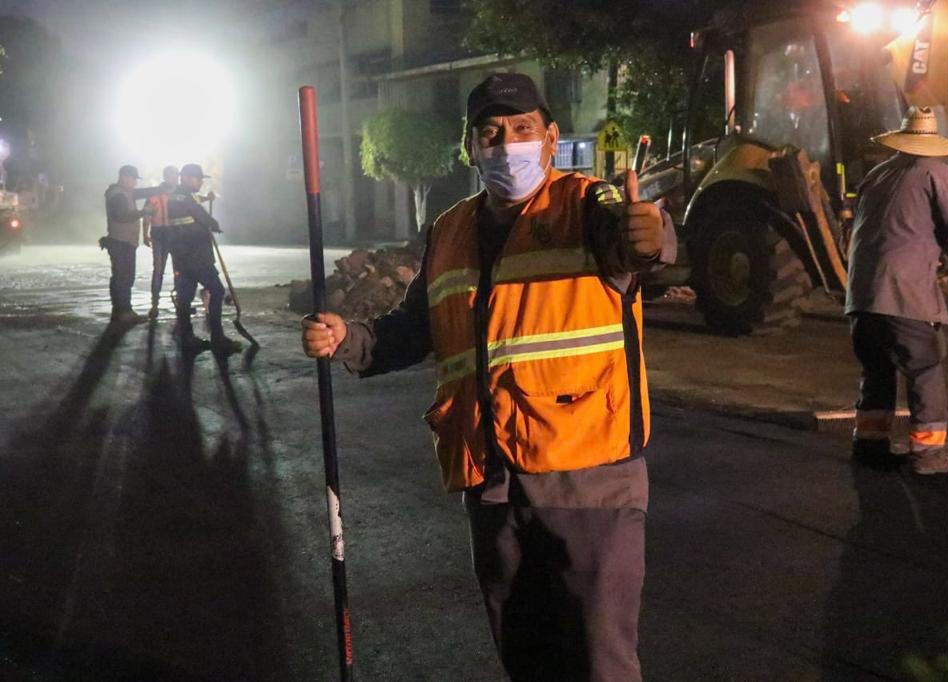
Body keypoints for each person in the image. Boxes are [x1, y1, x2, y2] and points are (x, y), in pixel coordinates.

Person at [302, 73, 676, 680]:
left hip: (587, 477)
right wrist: (352, 338)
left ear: (551, 138)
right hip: (492, 478)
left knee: (597, 662)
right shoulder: (449, 231)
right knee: (523, 654)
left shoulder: (589, 204)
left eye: (523, 128)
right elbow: (415, 327)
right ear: (471, 148)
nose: (508, 144)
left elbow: (636, 245)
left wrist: (651, 237)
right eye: (491, 132)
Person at [846, 106, 948, 475]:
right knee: (925, 366)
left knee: (877, 367)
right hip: (904, 292)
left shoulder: (877, 174)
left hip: (862, 293)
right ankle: (929, 454)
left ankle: (869, 443)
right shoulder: (936, 173)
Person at [166, 163, 241, 354]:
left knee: (185, 297)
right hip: (196, 256)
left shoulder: (175, 196)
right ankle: (217, 337)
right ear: (187, 178)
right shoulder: (187, 198)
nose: (200, 182)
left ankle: (186, 337)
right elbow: (204, 218)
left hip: (181, 257)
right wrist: (214, 225)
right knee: (216, 291)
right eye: (198, 178)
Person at [102, 164, 164, 325]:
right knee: (122, 277)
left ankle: (122, 311)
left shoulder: (125, 192)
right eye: (133, 179)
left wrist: (160, 188)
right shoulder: (117, 195)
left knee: (123, 277)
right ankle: (123, 312)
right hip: (120, 241)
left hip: (124, 241)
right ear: (124, 177)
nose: (135, 183)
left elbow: (143, 192)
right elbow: (122, 216)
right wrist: (145, 212)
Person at [143, 165, 180, 318]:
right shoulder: (154, 194)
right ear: (166, 176)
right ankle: (155, 305)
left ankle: (180, 302)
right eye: (173, 175)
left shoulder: (180, 193)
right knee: (158, 270)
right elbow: (146, 215)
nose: (175, 178)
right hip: (159, 234)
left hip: (176, 234)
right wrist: (144, 234)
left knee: (179, 271)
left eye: (176, 175)